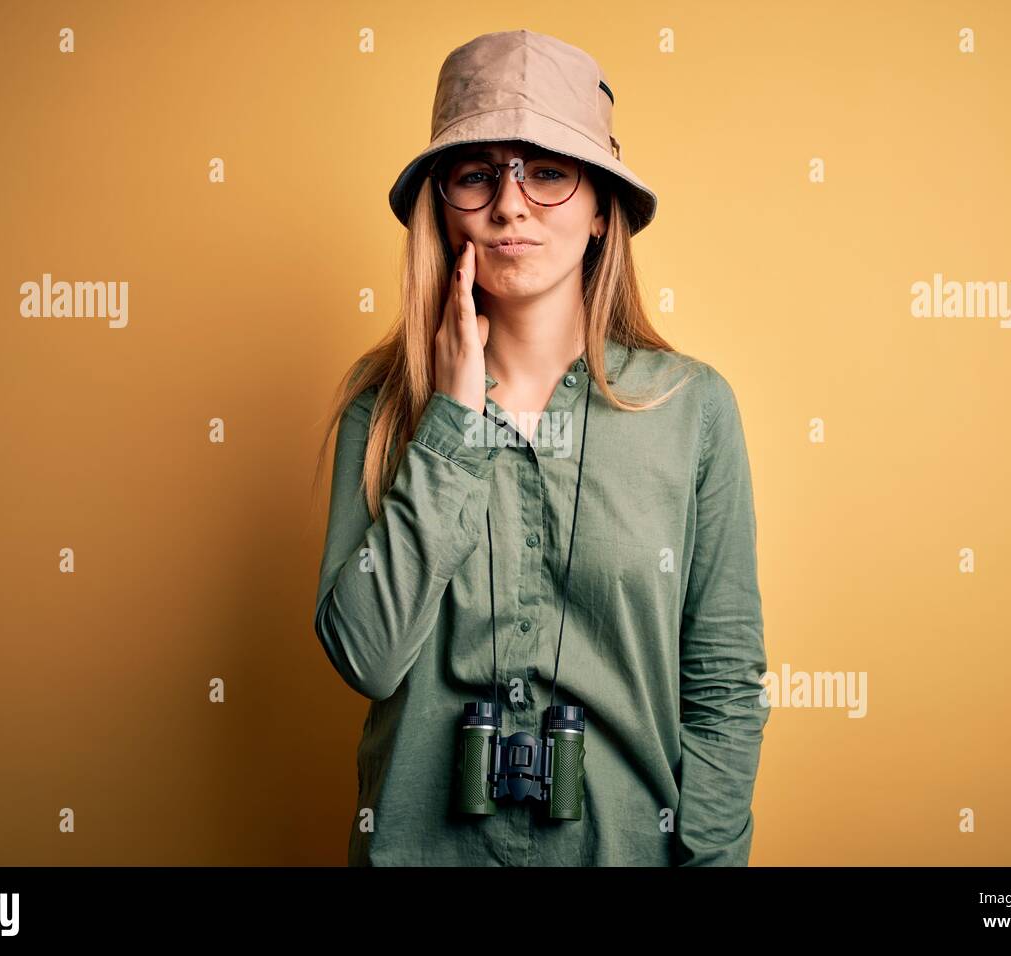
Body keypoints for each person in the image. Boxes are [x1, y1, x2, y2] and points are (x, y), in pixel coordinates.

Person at [310, 29, 768, 866]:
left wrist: (707, 859)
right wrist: (449, 425)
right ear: (441, 206)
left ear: (601, 211)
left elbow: (726, 686)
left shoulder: (691, 409)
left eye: (549, 172)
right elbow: (368, 659)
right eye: (477, 173)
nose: (511, 206)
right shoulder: (379, 413)